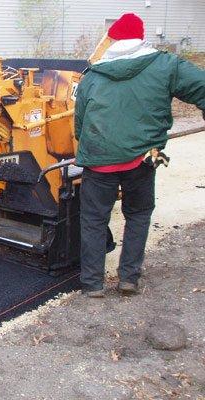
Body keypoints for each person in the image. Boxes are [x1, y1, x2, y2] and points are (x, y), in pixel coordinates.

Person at [74, 13, 205, 297]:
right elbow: (201, 86)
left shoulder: (92, 76)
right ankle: (128, 278)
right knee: (138, 214)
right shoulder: (166, 65)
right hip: (145, 158)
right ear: (141, 37)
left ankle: (92, 284)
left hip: (99, 162)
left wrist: (91, 148)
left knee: (94, 220)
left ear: (114, 40)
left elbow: (79, 124)